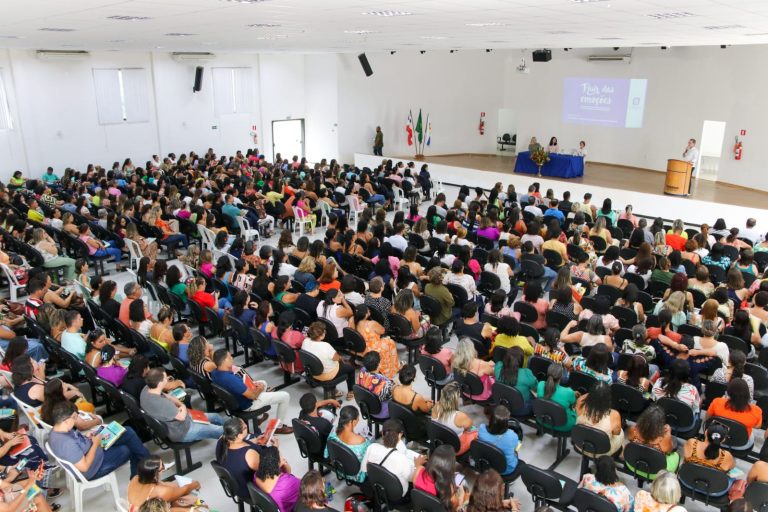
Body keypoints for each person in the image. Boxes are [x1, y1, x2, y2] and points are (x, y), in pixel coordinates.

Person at [48, 400, 149, 480]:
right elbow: (84, 467)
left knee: (128, 432)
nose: (75, 420)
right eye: (74, 418)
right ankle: (147, 470)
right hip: (94, 468)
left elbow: (76, 444)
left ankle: (146, 469)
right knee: (131, 447)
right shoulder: (66, 443)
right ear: (65, 421)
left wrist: (87, 438)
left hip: (92, 449)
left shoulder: (56, 430)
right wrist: (95, 444)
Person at [210, 349, 293, 434]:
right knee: (285, 396)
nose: (232, 358)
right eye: (229, 357)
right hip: (248, 404)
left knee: (262, 382)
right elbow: (253, 396)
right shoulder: (230, 379)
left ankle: (259, 418)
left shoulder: (215, 372)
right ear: (224, 361)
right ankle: (278, 427)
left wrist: (256, 386)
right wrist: (259, 389)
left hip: (235, 400)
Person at [140, 368, 225, 442]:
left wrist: (179, 403)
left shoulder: (146, 389)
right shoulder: (162, 404)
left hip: (180, 421)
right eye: (165, 378)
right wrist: (183, 406)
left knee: (216, 417)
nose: (167, 378)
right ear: (160, 383)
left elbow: (167, 396)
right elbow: (181, 417)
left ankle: (227, 435)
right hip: (183, 431)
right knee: (220, 430)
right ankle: (232, 440)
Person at [361, 419, 425, 500]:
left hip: (377, 485)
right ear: (400, 434)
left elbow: (364, 469)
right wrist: (418, 465)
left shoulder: (372, 447)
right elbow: (412, 479)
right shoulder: (401, 458)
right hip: (398, 494)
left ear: (382, 433)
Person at [301, 322, 355, 401]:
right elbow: (336, 358)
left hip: (312, 373)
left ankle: (334, 390)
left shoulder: (305, 341)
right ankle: (351, 391)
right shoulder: (326, 346)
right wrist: (340, 358)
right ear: (321, 335)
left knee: (329, 362)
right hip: (327, 375)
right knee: (350, 368)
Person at [126, 455, 201, 512]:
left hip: (133, 509)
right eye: (162, 467)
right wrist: (195, 484)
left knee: (170, 485)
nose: (164, 469)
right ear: (155, 474)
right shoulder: (162, 491)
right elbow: (185, 489)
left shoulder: (135, 478)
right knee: (193, 509)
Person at [706, 378, 762, 450]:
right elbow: (757, 426)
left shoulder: (717, 402)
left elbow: (707, 419)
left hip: (716, 437)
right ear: (747, 393)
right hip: (740, 444)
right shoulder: (756, 410)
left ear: (729, 392)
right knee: (752, 434)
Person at [682, 423, 734, 496]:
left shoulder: (692, 443)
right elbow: (731, 467)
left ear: (706, 432)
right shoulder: (727, 456)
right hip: (714, 490)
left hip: (687, 481)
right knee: (733, 478)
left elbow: (685, 457)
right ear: (723, 440)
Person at [627, 405, 680, 475]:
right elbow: (669, 451)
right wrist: (668, 433)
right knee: (676, 455)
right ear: (661, 423)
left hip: (633, 465)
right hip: (656, 473)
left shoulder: (633, 430)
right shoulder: (662, 438)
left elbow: (630, 440)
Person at [323, 406, 371, 483]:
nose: (358, 421)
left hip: (339, 468)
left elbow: (326, 454)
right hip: (355, 476)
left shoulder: (333, 431)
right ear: (353, 422)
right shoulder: (362, 441)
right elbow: (368, 462)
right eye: (358, 419)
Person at [575, 383, 624, 456]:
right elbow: (616, 433)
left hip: (581, 445)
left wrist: (595, 394)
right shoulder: (614, 414)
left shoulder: (580, 403)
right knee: (621, 433)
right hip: (603, 452)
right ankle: (620, 453)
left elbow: (583, 398)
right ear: (608, 398)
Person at [413, 444, 465, 511]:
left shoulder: (418, 471)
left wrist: (417, 464)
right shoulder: (449, 489)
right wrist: (461, 498)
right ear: (449, 467)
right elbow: (454, 509)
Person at [651, 359, 700, 425]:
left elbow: (653, 398)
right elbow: (695, 409)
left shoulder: (660, 382)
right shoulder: (693, 389)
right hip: (683, 424)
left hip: (659, 419)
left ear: (670, 371)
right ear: (686, 374)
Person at [478, 405, 521, 475]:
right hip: (506, 469)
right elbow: (516, 448)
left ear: (490, 418)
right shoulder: (512, 435)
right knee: (518, 443)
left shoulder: (481, 428)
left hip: (488, 464)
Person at [255, 446, 301, 512]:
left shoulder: (257, 475)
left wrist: (282, 463)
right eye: (281, 456)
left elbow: (288, 471)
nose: (283, 458)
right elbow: (305, 485)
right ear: (278, 464)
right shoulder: (288, 482)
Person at [494, 346, 537, 415]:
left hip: (502, 403)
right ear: (521, 360)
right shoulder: (526, 373)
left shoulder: (498, 366)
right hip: (521, 410)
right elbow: (536, 388)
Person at [536, 364, 577, 432]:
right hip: (563, 426)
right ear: (561, 376)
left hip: (542, 420)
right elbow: (574, 405)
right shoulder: (569, 392)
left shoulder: (541, 384)